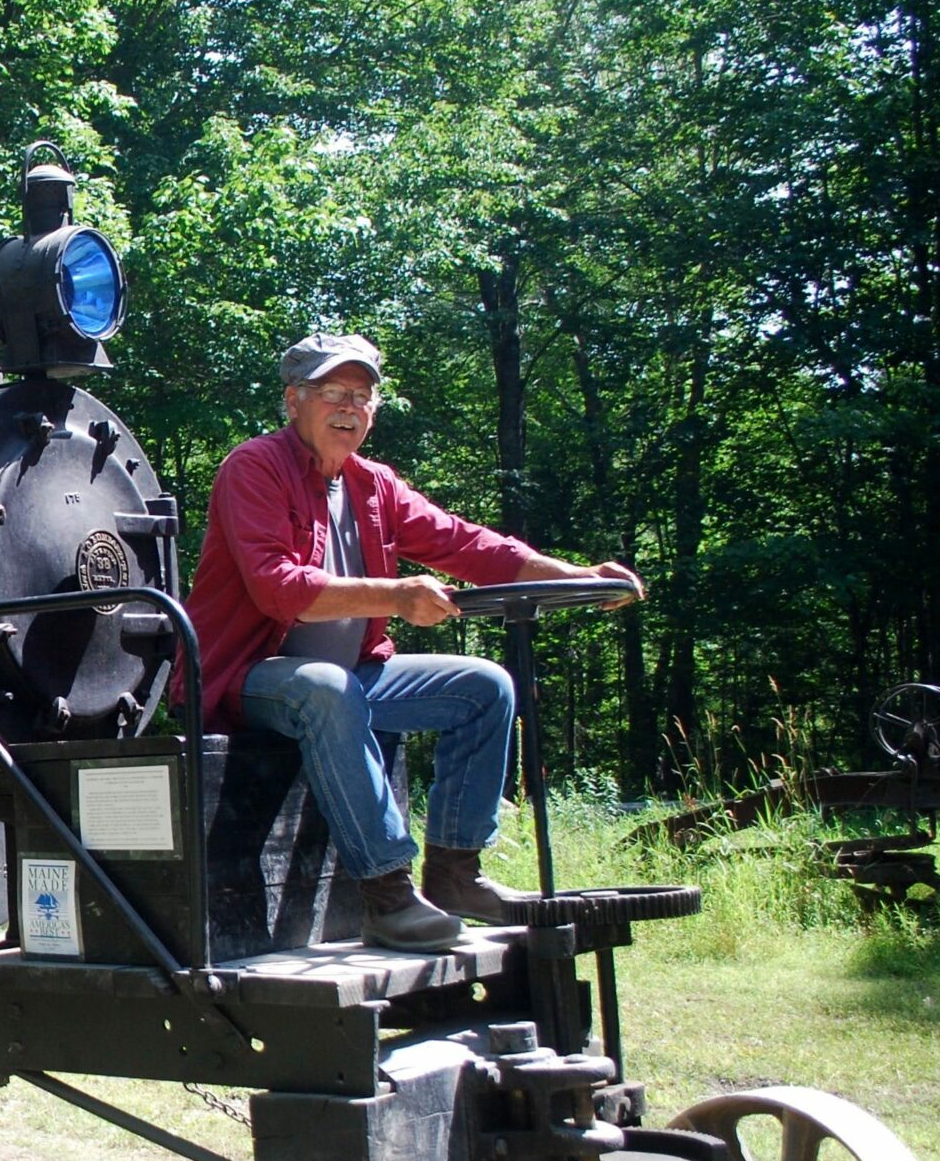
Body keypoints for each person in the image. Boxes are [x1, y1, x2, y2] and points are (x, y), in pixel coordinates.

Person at [183, 333, 642, 952]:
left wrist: (572, 576)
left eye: (363, 396)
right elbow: (280, 590)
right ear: (294, 401)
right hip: (250, 678)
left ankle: (455, 874)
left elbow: (468, 544)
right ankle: (387, 894)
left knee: (484, 687)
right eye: (333, 393)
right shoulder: (254, 468)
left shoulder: (376, 486)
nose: (350, 407)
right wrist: (397, 596)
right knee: (326, 687)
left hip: (352, 676)